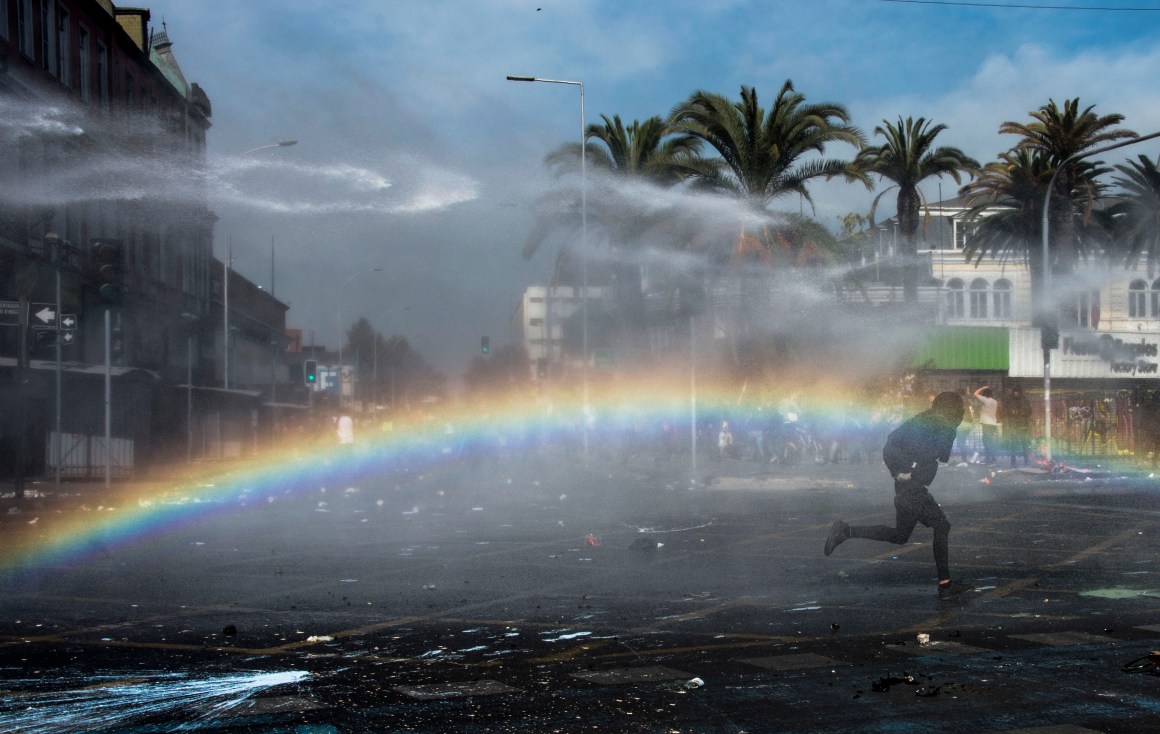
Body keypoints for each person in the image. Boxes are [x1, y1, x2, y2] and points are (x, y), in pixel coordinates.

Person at [824, 391, 973, 601]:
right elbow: (944, 456)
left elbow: (891, 443)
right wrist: (906, 472)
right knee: (942, 526)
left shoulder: (922, 420)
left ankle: (845, 531)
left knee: (900, 535)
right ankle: (946, 586)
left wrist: (899, 472)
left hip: (907, 485)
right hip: (913, 488)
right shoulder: (944, 426)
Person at [1002, 386, 1032, 467]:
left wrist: (1022, 414)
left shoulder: (1024, 400)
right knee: (1014, 444)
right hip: (1014, 425)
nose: (1016, 394)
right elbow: (1005, 411)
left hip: (1022, 425)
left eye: (1017, 392)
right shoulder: (1010, 400)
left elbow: (1030, 411)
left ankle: (1026, 461)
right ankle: (1013, 461)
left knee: (1024, 444)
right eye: (1014, 392)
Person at [973, 385, 1000, 465]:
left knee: (987, 442)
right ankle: (989, 458)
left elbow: (975, 394)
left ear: (985, 395)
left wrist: (982, 388)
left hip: (987, 424)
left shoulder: (986, 400)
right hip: (992, 424)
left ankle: (992, 459)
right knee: (988, 442)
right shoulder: (995, 401)